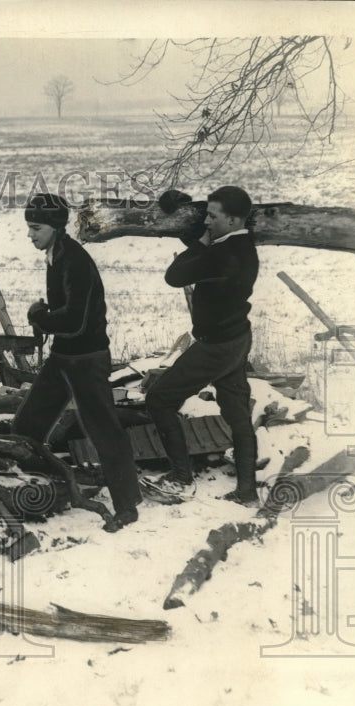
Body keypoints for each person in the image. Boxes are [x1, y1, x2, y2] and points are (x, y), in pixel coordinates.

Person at [12, 193, 141, 531]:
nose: (30, 235)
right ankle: (30, 490)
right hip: (65, 355)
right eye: (29, 228)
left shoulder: (75, 261)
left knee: (103, 431)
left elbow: (74, 322)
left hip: (86, 358)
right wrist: (46, 319)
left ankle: (128, 506)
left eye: (36, 228)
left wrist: (41, 315)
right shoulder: (55, 255)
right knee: (28, 423)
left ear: (55, 227)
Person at [142, 185, 260, 506]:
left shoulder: (222, 254)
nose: (206, 221)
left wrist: (200, 241)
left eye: (212, 216)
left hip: (215, 347)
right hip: (237, 339)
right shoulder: (243, 244)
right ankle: (247, 493)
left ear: (233, 220)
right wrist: (182, 208)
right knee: (237, 415)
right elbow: (203, 247)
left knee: (160, 399)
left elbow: (175, 275)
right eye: (205, 214)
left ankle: (181, 477)